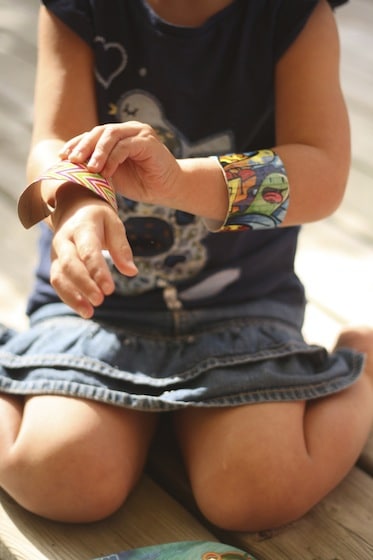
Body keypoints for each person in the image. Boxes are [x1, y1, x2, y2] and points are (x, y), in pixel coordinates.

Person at [0, 0, 372, 532]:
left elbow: (322, 172)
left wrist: (180, 182)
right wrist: (79, 204)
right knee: (60, 475)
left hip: (242, 311)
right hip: (100, 314)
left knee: (254, 492)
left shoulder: (293, 14)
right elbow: (52, 142)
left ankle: (363, 364)